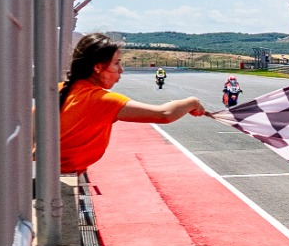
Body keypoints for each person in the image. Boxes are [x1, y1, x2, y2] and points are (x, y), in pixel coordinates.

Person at [58, 33, 206, 175]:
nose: (121, 70)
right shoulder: (100, 99)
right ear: (98, 68)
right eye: (116, 63)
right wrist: (192, 102)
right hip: (58, 179)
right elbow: (164, 114)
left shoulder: (62, 89)